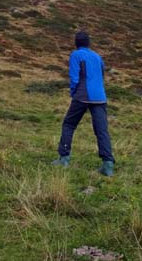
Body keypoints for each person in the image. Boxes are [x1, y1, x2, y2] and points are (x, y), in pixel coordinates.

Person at [52, 30, 115, 176]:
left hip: (83, 95)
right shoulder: (98, 57)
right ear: (89, 43)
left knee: (69, 124)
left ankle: (64, 158)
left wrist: (74, 93)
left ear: (76, 43)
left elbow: (74, 78)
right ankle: (108, 164)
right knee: (102, 130)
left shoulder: (76, 55)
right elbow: (102, 75)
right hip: (100, 97)